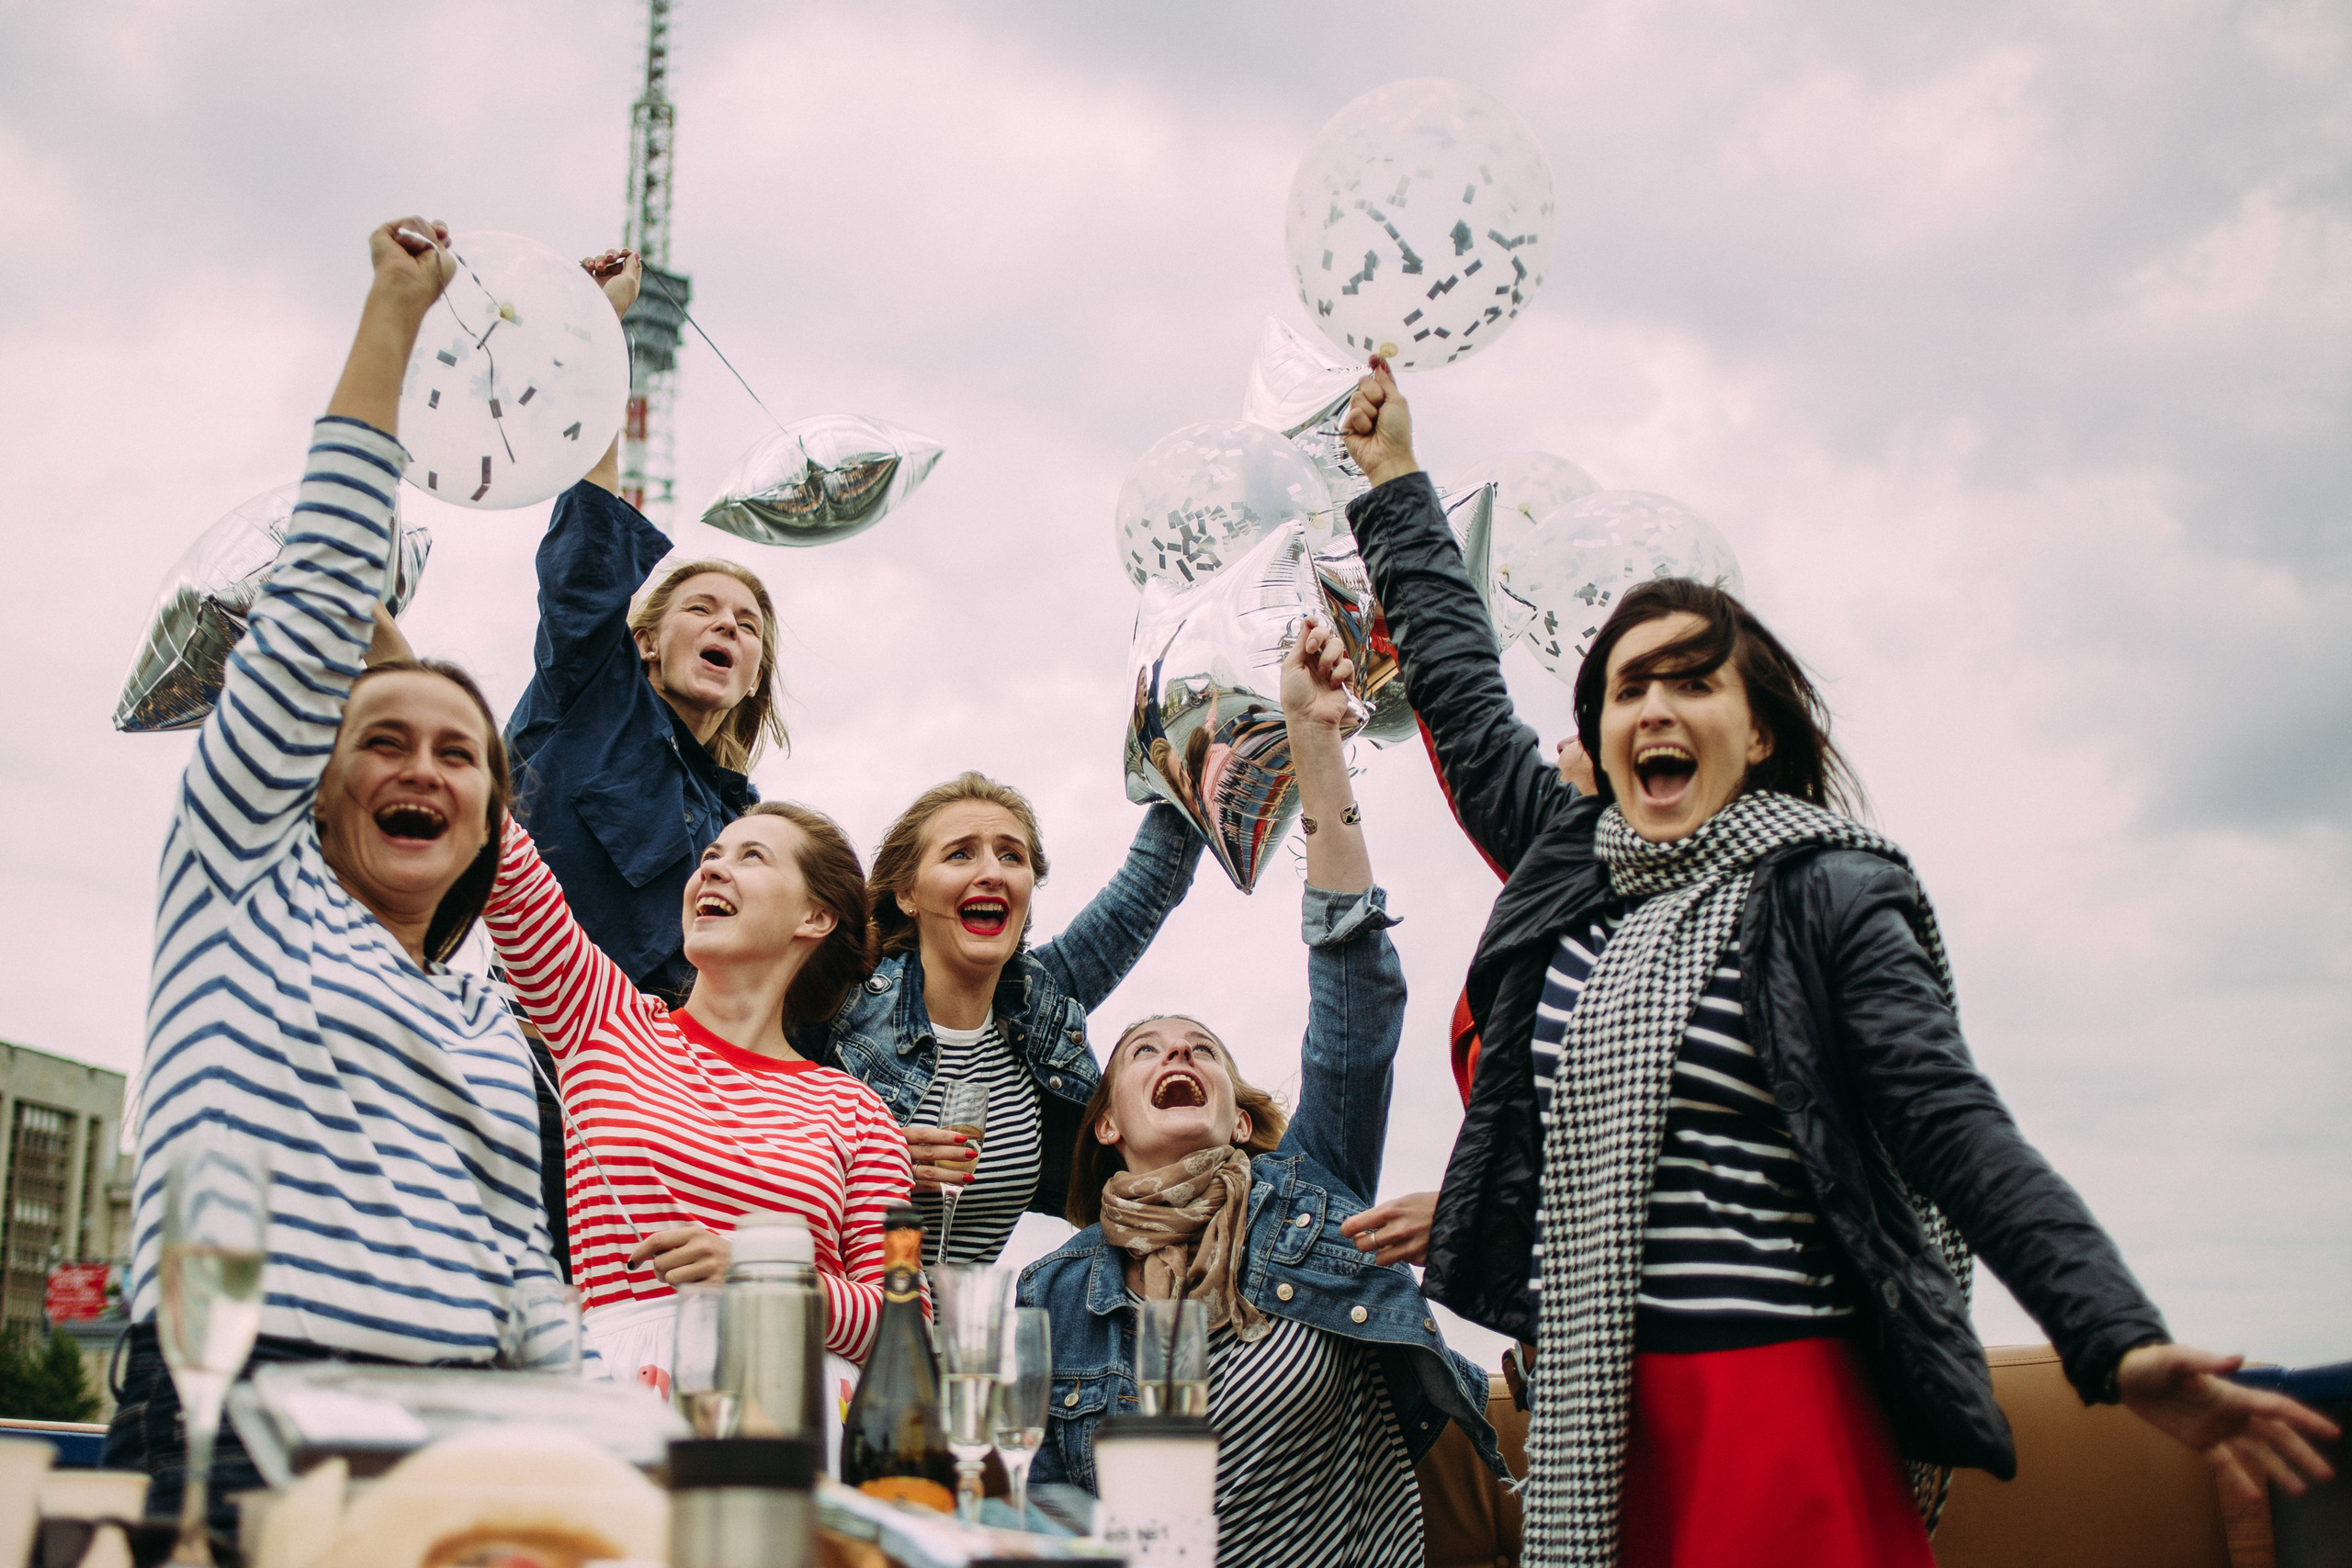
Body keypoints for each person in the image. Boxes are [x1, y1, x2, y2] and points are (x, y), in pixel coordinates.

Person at [1337, 363, 2339, 1566]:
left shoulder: (1827, 888)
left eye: (1692, 679)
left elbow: (1952, 1124)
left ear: (1755, 730)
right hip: (1603, 1429)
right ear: (1599, 734)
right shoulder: (1568, 864)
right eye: (1624, 686)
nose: (1653, 703)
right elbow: (1455, 679)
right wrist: (1395, 478)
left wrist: (2113, 1335)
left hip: (1779, 1406)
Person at [109, 218, 559, 1533]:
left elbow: (524, 1273)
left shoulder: (487, 1016)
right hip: (245, 1412)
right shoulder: (240, 881)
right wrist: (395, 316)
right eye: (383, 739)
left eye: (459, 752)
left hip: (461, 1442)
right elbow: (311, 618)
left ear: (487, 814)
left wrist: (598, 1450)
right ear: (308, 774)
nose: (422, 766)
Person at [1017, 623, 1504, 1568]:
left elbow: (1355, 989)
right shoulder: (1057, 1292)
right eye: (1148, 1049)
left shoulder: (1311, 1191)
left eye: (1202, 1049)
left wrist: (1313, 741)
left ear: (1239, 1121)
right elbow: (1047, 1521)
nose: (1180, 1053)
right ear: (1107, 1122)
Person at [501, 249, 789, 1271]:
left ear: (757, 673)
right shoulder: (594, 702)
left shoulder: (752, 834)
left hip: (658, 1132)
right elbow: (591, 554)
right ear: (645, 639)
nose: (727, 626)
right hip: (517, 1078)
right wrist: (602, 338)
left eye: (748, 623)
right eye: (700, 609)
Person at [481, 798, 912, 1387]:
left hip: (799, 1419)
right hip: (624, 1398)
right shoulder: (603, 1023)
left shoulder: (859, 1112)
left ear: (815, 916)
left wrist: (760, 1274)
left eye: (752, 857)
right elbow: (506, 863)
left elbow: (906, 1315)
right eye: (709, 856)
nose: (711, 869)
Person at [802, 780, 1204, 1267]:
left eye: (1011, 857)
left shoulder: (1040, 1001)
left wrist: (1194, 754)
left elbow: (1147, 888)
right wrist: (870, 1161)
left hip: (964, 1335)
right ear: (907, 892)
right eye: (960, 855)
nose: (992, 872)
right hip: (838, 1326)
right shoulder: (840, 1007)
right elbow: (746, 1142)